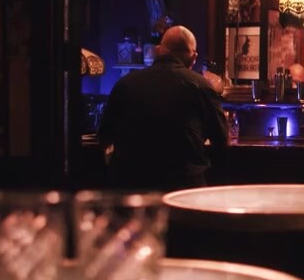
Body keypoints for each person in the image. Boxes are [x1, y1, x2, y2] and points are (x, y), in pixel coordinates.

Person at [98, 25, 231, 191]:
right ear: (194, 58)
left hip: (133, 188)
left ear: (158, 50)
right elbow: (221, 140)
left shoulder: (125, 84)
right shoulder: (201, 85)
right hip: (183, 188)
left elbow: (105, 135)